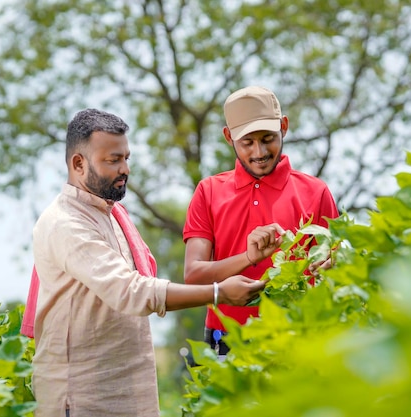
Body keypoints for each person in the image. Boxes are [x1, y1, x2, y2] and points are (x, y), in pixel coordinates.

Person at [24, 108, 266, 417]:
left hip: (127, 392)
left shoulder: (113, 216)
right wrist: (218, 294)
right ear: (78, 164)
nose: (124, 169)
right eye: (113, 160)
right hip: (82, 398)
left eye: (126, 158)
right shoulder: (66, 224)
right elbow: (132, 292)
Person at [183, 86, 339, 355]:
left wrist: (332, 267)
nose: (260, 152)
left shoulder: (315, 192)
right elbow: (194, 276)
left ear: (284, 126)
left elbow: (338, 272)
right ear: (228, 137)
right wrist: (248, 257)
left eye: (268, 138)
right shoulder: (208, 192)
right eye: (247, 142)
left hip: (299, 337)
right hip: (225, 340)